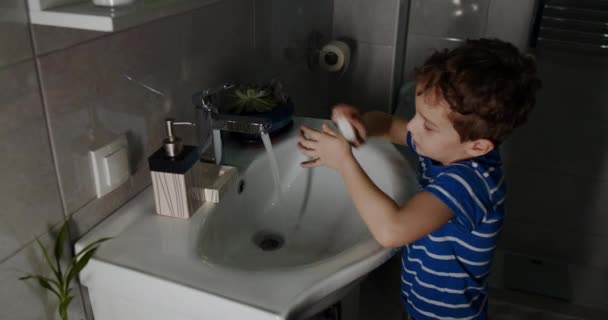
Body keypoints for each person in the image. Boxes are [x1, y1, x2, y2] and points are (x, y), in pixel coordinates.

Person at [297, 38, 541, 320]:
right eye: (417, 115)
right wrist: (360, 127)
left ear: (478, 146)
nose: (413, 126)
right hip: (422, 307)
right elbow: (387, 124)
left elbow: (392, 232)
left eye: (428, 125)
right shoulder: (448, 149)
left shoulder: (469, 181)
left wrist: (343, 161)